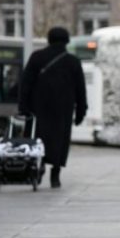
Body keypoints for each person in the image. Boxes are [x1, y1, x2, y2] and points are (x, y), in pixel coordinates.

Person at [19, 27, 87, 188]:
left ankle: (39, 165)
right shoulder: (73, 62)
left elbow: (25, 84)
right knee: (59, 142)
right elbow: (80, 90)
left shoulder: (37, 58)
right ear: (67, 41)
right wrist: (80, 113)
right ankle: (55, 174)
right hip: (62, 111)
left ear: (48, 40)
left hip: (38, 109)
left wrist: (23, 107)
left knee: (38, 139)